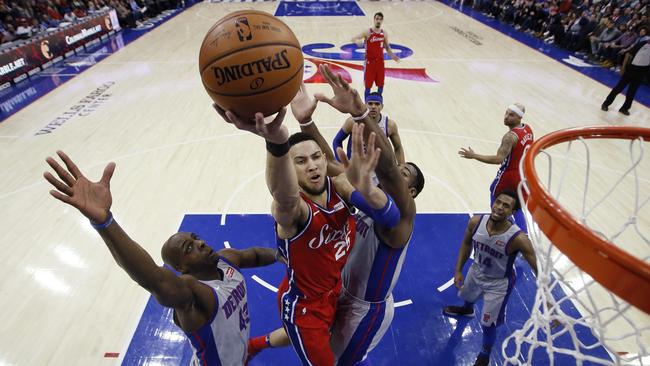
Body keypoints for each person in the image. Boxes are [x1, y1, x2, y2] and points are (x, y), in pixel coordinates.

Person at [247, 66, 425, 366]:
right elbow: (325, 162)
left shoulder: (403, 216)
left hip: (363, 310)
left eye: (406, 174)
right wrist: (307, 121)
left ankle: (256, 345)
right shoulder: (361, 192)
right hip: (331, 288)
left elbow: (390, 173)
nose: (397, 170)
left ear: (412, 192)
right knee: (308, 332)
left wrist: (360, 115)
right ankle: (255, 344)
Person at [42, 151, 280, 366]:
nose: (199, 243)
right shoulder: (192, 295)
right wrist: (105, 222)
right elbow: (153, 278)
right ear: (182, 268)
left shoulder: (225, 260)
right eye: (189, 248)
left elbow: (256, 255)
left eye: (195, 238)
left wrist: (283, 255)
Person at [214, 97, 367, 364]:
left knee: (299, 334)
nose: (312, 165)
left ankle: (256, 344)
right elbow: (282, 197)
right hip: (304, 307)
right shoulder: (296, 211)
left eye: (316, 157)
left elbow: (337, 166)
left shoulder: (339, 187)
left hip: (332, 291)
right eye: (300, 161)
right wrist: (276, 143)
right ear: (290, 169)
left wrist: (307, 121)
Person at [443, 191, 538, 366]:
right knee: (467, 297)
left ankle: (485, 352)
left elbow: (538, 268)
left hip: (499, 283)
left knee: (488, 324)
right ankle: (467, 309)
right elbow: (466, 243)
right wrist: (458, 270)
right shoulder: (476, 222)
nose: (499, 207)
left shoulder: (519, 239)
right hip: (477, 270)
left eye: (506, 205)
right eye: (498, 202)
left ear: (512, 212)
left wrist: (547, 299)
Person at [458, 103, 533, 232]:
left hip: (508, 176)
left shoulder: (510, 137)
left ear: (519, 118)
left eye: (511, 115)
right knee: (518, 207)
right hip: (523, 175)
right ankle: (524, 235)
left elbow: (499, 159)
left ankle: (503, 232)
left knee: (497, 204)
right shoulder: (528, 129)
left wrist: (474, 155)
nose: (506, 117)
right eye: (506, 113)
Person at [332, 92, 406, 165]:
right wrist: (340, 162)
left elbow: (398, 147)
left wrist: (402, 167)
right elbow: (337, 141)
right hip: (355, 167)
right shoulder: (353, 121)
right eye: (370, 103)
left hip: (377, 169)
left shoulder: (390, 125)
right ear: (365, 105)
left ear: (382, 106)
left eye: (377, 104)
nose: (373, 107)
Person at [351, 12, 400, 99]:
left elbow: (387, 47)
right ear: (374, 20)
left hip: (380, 63)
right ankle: (366, 104)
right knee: (368, 86)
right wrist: (357, 41)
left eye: (380, 19)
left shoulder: (384, 33)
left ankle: (378, 101)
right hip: (370, 63)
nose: (378, 21)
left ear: (382, 21)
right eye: (377, 19)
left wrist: (394, 57)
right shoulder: (367, 32)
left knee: (381, 85)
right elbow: (353, 38)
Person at [601, 32, 650, 116]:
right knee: (619, 87)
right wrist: (623, 67)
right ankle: (606, 103)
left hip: (642, 72)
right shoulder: (642, 43)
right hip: (631, 69)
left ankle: (625, 108)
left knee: (632, 91)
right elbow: (629, 54)